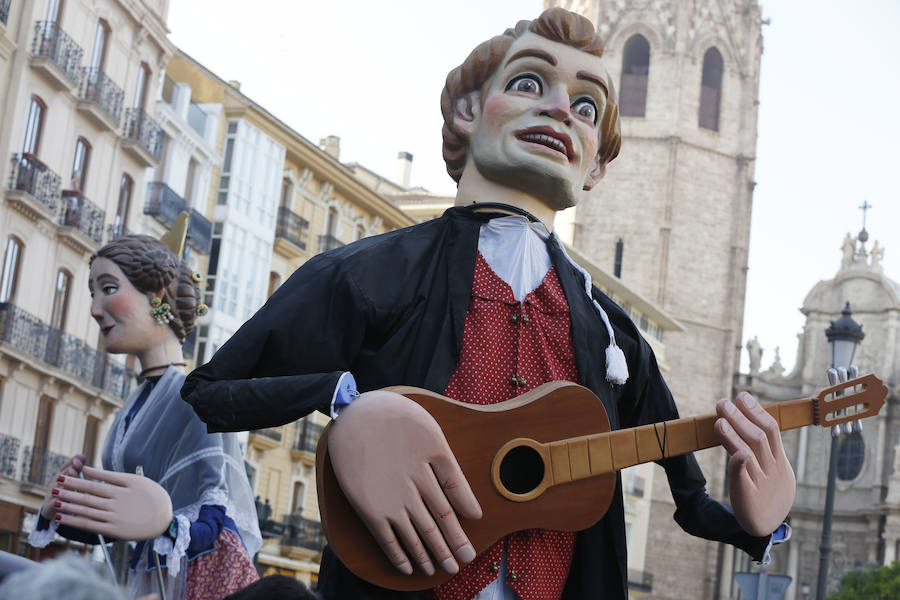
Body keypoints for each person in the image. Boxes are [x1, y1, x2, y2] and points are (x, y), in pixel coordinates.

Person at [182, 8, 794, 600]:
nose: (559, 108)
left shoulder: (614, 333)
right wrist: (347, 401)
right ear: (469, 110)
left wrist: (757, 522)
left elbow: (690, 502)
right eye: (529, 82)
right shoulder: (372, 273)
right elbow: (209, 392)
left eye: (586, 106)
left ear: (596, 167)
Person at [28, 230, 261, 599]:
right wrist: (63, 507)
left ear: (157, 297)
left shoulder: (196, 397)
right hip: (142, 579)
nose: (94, 308)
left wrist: (166, 523)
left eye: (108, 289)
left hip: (187, 583)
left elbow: (214, 519)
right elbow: (123, 528)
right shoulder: (133, 405)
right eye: (93, 293)